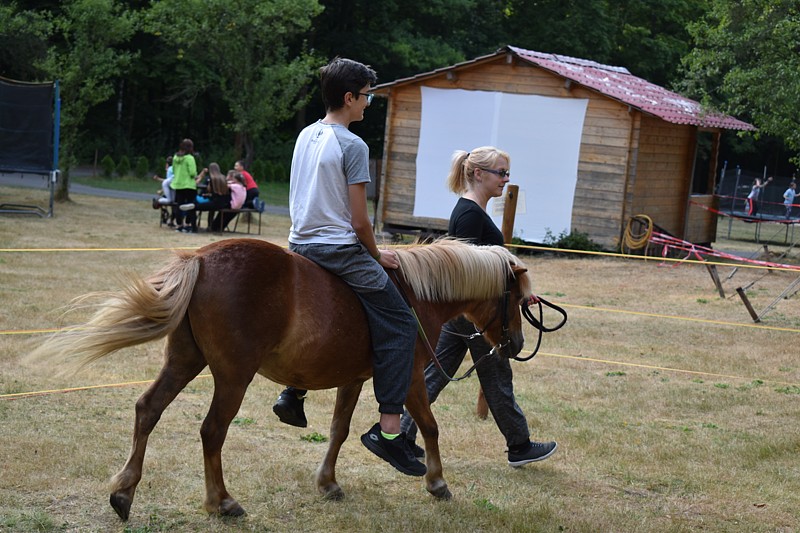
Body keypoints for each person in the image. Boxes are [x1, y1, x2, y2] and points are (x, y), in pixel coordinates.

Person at [271, 57, 425, 477]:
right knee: (401, 324)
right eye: (367, 96)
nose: (369, 104)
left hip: (298, 242)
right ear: (349, 97)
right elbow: (359, 222)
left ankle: (293, 392)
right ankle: (389, 431)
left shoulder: (306, 134)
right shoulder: (353, 145)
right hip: (338, 249)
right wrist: (377, 255)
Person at [398, 147, 557, 468]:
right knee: (497, 375)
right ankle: (519, 445)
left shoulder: (474, 211)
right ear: (479, 174)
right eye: (501, 173)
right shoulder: (470, 214)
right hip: (475, 314)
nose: (506, 179)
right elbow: (468, 267)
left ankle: (401, 436)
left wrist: (520, 292)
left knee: (434, 374)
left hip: (468, 311)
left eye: (507, 173)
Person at [171, 139, 200, 233]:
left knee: (180, 205)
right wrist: (196, 174)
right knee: (191, 206)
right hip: (189, 185)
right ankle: (189, 225)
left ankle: (179, 225)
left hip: (178, 184)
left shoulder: (175, 157)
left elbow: (174, 170)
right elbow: (192, 173)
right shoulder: (190, 158)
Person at [151, 156, 175, 227]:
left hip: (171, 189)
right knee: (171, 202)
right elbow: (168, 182)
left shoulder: (170, 170)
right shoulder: (173, 169)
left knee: (170, 202)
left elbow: (168, 182)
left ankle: (165, 214)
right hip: (172, 189)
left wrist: (161, 190)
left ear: (167, 164)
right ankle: (169, 219)